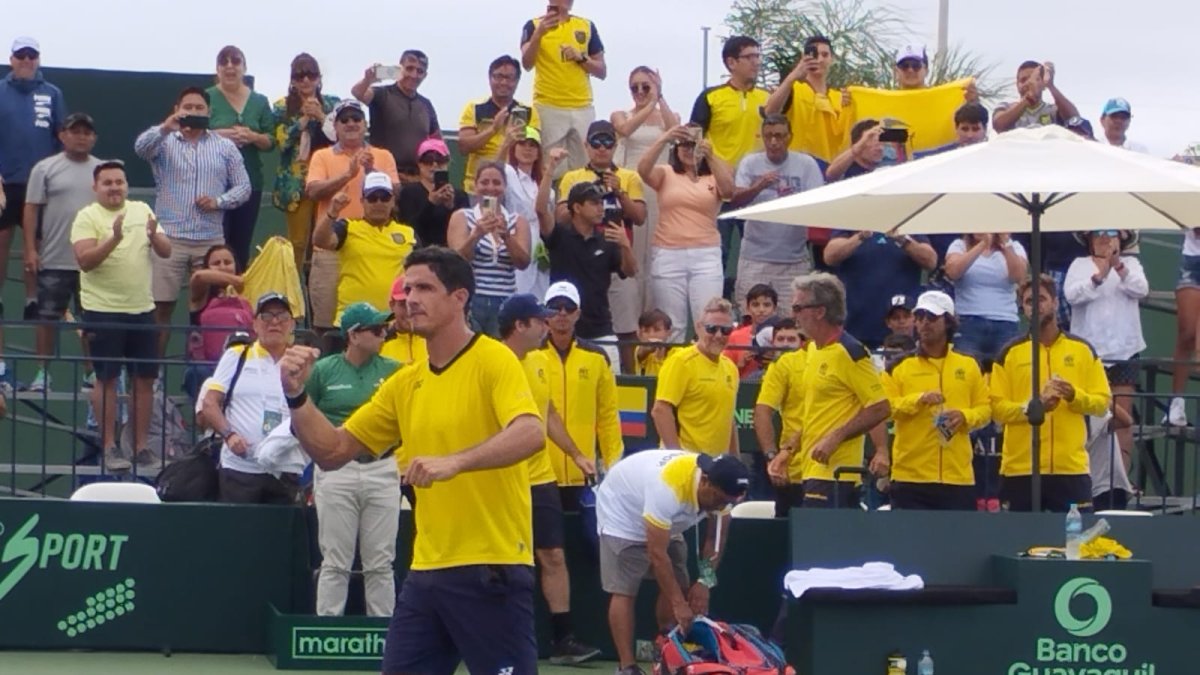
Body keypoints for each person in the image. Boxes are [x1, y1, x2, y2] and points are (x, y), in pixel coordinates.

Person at [280, 246, 545, 675]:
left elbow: (532, 432)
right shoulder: (405, 383)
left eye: (424, 288)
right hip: (426, 573)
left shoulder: (494, 359)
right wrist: (296, 394)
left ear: (460, 298)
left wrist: (455, 462)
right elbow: (331, 452)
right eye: (407, 289)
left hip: (491, 566)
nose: (410, 299)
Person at [498, 293, 601, 664]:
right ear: (520, 325)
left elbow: (549, 413)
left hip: (540, 478)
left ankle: (563, 638)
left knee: (553, 555)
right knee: (502, 560)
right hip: (500, 478)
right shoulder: (492, 363)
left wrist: (575, 453)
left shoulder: (539, 362)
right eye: (540, 320)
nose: (548, 325)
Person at [596, 449, 749, 675]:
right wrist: (679, 604)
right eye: (718, 499)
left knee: (680, 580)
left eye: (727, 502)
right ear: (705, 481)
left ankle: (665, 643)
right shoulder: (667, 488)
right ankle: (626, 666)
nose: (720, 506)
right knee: (624, 589)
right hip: (623, 515)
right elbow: (657, 553)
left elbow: (716, 538)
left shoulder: (724, 492)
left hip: (665, 518)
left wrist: (706, 581)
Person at [70, 160, 171, 472]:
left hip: (142, 310)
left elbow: (166, 251)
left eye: (119, 182)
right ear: (96, 187)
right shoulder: (87, 217)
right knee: (107, 379)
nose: (115, 187)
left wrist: (154, 236)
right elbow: (85, 261)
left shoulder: (142, 210)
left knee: (144, 381)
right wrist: (113, 238)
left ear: (127, 185)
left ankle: (140, 448)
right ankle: (109, 446)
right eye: (108, 182)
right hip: (102, 311)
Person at [134, 86, 251, 354]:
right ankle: (155, 377)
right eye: (188, 107)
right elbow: (140, 148)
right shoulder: (163, 142)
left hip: (210, 240)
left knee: (211, 308)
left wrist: (219, 201)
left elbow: (243, 187)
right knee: (160, 308)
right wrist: (166, 127)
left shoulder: (225, 147)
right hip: (169, 238)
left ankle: (202, 375)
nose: (193, 112)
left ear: (209, 112)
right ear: (177, 110)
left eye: (199, 108)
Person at [310, 302, 401, 617]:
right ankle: (326, 633)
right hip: (337, 470)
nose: (383, 333)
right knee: (335, 561)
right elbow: (303, 417)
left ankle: (387, 639)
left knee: (381, 562)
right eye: (376, 329)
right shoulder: (323, 370)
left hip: (383, 466)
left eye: (384, 328)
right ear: (353, 334)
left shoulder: (394, 370)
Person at [767, 273, 890, 509]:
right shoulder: (813, 349)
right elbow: (816, 414)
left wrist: (837, 436)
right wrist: (788, 451)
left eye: (798, 307)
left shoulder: (850, 352)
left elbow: (880, 406)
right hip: (811, 470)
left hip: (837, 475)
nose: (794, 315)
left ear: (819, 311)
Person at [990, 274, 1111, 512]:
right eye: (1028, 301)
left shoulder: (1082, 350)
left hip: (1070, 468)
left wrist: (1074, 395)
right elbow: (997, 409)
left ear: (1055, 303)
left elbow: (1102, 402)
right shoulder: (1009, 353)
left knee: (1075, 543)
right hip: (1021, 468)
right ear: (1022, 308)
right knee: (1017, 541)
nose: (1036, 306)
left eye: (1041, 299)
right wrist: (1033, 407)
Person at [881, 291, 990, 510]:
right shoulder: (898, 366)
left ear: (948, 322)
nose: (924, 323)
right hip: (910, 477)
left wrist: (964, 416)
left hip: (957, 476)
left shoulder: (970, 365)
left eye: (931, 318)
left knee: (957, 544)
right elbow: (885, 408)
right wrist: (918, 400)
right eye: (919, 317)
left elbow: (985, 409)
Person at [22, 112, 100, 393]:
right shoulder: (45, 168)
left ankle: (92, 374)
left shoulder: (104, 170)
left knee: (91, 320)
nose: (81, 136)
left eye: (86, 132)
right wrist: (31, 248)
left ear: (94, 138)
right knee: (46, 318)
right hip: (54, 257)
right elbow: (31, 208)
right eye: (75, 131)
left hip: (93, 262)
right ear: (62, 135)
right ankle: (42, 374)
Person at [305, 100, 400, 331]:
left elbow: (395, 192)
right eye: (344, 120)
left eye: (356, 119)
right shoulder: (322, 156)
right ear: (334, 127)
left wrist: (370, 171)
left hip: (370, 249)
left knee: (373, 324)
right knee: (326, 324)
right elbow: (313, 191)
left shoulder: (383, 155)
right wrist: (348, 175)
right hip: (330, 247)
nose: (351, 124)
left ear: (365, 124)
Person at [637, 125, 735, 342]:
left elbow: (728, 191)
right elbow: (643, 170)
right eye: (684, 145)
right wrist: (664, 138)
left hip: (706, 254)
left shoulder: (712, 176)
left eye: (694, 145)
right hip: (668, 252)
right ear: (676, 148)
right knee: (673, 325)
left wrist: (710, 156)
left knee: (708, 320)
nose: (689, 150)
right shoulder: (666, 172)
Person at [201, 292, 301, 504]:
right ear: (255, 324)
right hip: (240, 468)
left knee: (280, 535)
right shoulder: (238, 354)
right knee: (238, 534)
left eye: (282, 316)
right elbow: (209, 403)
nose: (274, 322)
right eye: (266, 316)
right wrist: (229, 435)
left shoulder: (299, 361)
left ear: (292, 324)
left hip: (283, 469)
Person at [690, 35, 771, 292]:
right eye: (750, 57)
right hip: (719, 190)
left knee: (759, 254)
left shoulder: (768, 98)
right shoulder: (711, 97)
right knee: (719, 254)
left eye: (758, 56)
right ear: (731, 62)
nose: (756, 62)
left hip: (757, 189)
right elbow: (694, 138)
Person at [1064, 230, 1148, 471]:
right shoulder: (1079, 265)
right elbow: (1072, 295)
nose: (1105, 238)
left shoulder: (1131, 264)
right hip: (1088, 354)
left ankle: (1121, 481)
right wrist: (1099, 275)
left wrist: (1118, 267)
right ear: (1089, 238)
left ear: (1121, 239)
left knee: (1122, 417)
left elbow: (1141, 289)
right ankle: (1086, 476)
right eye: (1099, 233)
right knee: (1085, 417)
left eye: (1112, 232)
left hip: (1124, 351)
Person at [0, 36, 67, 328]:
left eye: (32, 55)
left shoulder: (52, 93)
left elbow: (62, 135)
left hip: (41, 184)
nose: (26, 60)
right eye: (21, 55)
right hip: (5, 182)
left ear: (38, 59)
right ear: (11, 59)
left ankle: (32, 299)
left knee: (36, 246)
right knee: (1, 242)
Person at [551, 152, 640, 367]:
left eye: (601, 203)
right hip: (564, 331)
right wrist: (549, 170)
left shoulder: (608, 239)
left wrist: (625, 246)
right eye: (594, 203)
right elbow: (540, 213)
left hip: (601, 329)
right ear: (577, 208)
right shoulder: (560, 236)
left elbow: (629, 271)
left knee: (612, 390)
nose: (601, 208)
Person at [541, 281, 622, 510]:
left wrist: (613, 463)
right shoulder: (531, 355)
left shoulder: (596, 357)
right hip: (542, 473)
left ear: (578, 314)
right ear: (545, 314)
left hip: (584, 471)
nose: (562, 313)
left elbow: (607, 415)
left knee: (587, 540)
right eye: (555, 307)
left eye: (569, 307)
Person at [730, 114, 825, 306]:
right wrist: (759, 186)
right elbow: (736, 201)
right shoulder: (750, 162)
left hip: (794, 259)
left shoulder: (806, 164)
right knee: (751, 318)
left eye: (780, 136)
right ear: (762, 137)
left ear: (790, 136)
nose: (774, 142)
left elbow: (819, 204)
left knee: (793, 321)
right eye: (769, 136)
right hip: (755, 258)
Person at [612, 66, 680, 320]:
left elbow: (676, 135)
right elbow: (625, 130)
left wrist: (659, 98)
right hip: (632, 186)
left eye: (645, 86)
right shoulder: (621, 114)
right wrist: (649, 104)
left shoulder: (667, 116)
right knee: (634, 249)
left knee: (655, 252)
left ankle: (654, 316)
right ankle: (631, 314)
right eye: (635, 87)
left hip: (658, 186)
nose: (639, 92)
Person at [312, 171, 415, 323]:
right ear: (362, 201)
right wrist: (332, 212)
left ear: (393, 201)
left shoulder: (408, 233)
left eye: (385, 197)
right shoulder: (348, 227)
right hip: (353, 323)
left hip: (394, 321)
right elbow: (320, 241)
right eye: (372, 198)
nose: (379, 203)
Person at [206, 45, 276, 271]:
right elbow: (194, 134)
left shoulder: (260, 101)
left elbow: (271, 141)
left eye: (235, 61)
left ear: (244, 67)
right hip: (214, 184)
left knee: (241, 245)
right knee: (216, 245)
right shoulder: (207, 97)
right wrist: (224, 134)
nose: (229, 66)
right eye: (223, 62)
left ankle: (236, 298)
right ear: (217, 69)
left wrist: (252, 136)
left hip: (250, 182)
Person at [520, 0, 608, 175]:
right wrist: (538, 35)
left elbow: (602, 71)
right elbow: (527, 63)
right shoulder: (534, 25)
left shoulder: (586, 25)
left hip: (582, 106)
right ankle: (552, 202)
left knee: (585, 168)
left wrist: (581, 57)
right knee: (550, 167)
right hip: (548, 105)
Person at [271, 53, 340, 272]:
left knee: (324, 240)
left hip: (327, 180)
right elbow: (281, 143)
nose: (306, 81)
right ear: (292, 80)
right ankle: (293, 291)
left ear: (319, 78)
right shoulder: (282, 107)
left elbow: (341, 136)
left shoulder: (332, 104)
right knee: (298, 243)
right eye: (299, 76)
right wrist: (301, 121)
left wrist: (321, 116)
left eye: (311, 75)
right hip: (296, 184)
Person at [447, 162, 533, 336]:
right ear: (476, 186)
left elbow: (523, 262)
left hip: (505, 300)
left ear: (505, 187)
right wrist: (476, 235)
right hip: (472, 298)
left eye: (496, 183)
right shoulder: (463, 216)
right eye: (484, 182)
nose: (490, 188)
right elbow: (455, 261)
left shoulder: (517, 221)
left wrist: (507, 236)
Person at [651, 297, 740, 457]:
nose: (718, 335)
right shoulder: (681, 362)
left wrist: (735, 461)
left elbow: (729, 420)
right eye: (711, 329)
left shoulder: (730, 368)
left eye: (725, 330)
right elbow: (660, 410)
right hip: (687, 461)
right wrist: (677, 458)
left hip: (717, 464)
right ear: (699, 328)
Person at [824, 227, 935, 350]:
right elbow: (830, 256)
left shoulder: (906, 221)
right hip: (857, 324)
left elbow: (930, 261)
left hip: (900, 324)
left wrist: (902, 239)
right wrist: (861, 236)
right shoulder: (852, 222)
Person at [352, 50, 441, 179]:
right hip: (383, 174)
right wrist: (368, 79)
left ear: (425, 75)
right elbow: (357, 93)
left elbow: (437, 142)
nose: (414, 75)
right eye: (409, 69)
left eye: (420, 71)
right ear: (399, 69)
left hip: (417, 177)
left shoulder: (426, 105)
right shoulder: (382, 94)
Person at [458, 55, 541, 192]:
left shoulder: (529, 112)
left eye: (509, 78)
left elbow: (534, 150)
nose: (503, 82)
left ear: (517, 81)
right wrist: (493, 129)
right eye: (498, 77)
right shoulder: (474, 108)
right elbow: (464, 147)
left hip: (515, 185)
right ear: (490, 78)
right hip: (478, 184)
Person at [943, 233, 1028, 366]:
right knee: (966, 369)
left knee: (1005, 369)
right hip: (968, 322)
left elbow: (1019, 276)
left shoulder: (1014, 247)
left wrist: (1006, 245)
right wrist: (982, 245)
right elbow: (953, 271)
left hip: (1005, 322)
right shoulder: (959, 246)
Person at [183, 244, 252, 401]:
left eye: (227, 263)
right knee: (197, 373)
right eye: (216, 263)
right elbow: (199, 277)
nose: (222, 267)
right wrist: (235, 280)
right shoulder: (200, 295)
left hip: (242, 364)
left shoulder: (246, 295)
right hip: (207, 368)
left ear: (236, 265)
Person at [497, 126, 554, 299]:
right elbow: (495, 170)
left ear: (539, 152)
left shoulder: (543, 185)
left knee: (539, 295)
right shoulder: (509, 173)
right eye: (522, 143)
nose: (527, 148)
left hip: (539, 245)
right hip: (514, 236)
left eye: (532, 145)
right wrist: (505, 143)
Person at [396, 137, 469, 248]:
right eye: (427, 160)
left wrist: (450, 207)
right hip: (419, 251)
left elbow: (463, 231)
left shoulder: (460, 196)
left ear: (447, 163)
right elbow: (408, 229)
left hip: (449, 253)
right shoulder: (409, 192)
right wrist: (430, 204)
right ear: (419, 164)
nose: (434, 165)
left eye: (440, 160)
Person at [993, 61, 1079, 132]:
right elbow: (999, 126)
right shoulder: (1006, 107)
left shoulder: (1053, 110)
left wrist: (1051, 86)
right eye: (1023, 80)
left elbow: (1075, 120)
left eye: (1034, 79)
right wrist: (1028, 99)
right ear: (1017, 85)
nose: (1028, 83)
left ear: (1043, 84)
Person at [724, 284, 778, 378]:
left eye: (767, 305)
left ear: (774, 309)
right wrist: (740, 365)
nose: (761, 310)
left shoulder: (785, 337)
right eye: (755, 305)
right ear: (748, 308)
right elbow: (724, 375)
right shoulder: (735, 337)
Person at [1088, 406, 1134, 511]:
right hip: (1085, 487)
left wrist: (1104, 399)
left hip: (1108, 488)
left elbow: (1126, 421)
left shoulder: (1095, 413)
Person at [379, 275, 428, 366]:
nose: (409, 311)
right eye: (403, 305)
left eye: (414, 304)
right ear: (392, 305)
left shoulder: (436, 337)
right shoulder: (378, 340)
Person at [635, 308, 673, 376]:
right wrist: (649, 348)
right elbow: (641, 353)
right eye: (646, 331)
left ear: (668, 332)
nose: (651, 335)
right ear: (639, 334)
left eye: (657, 330)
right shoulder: (639, 349)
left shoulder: (677, 352)